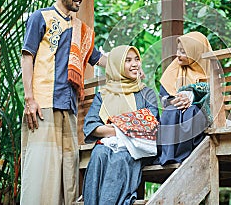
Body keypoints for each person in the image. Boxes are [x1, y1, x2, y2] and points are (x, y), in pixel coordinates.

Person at [20, 0, 107, 205]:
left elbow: (97, 58)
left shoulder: (81, 29)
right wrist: (29, 99)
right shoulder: (41, 17)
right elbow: (27, 56)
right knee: (42, 171)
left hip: (68, 106)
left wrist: (127, 63)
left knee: (67, 173)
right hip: (43, 104)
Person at [82, 45, 159, 205]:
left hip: (136, 148)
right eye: (128, 60)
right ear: (116, 65)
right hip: (106, 145)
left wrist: (113, 127)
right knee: (99, 154)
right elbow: (92, 126)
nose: (135, 64)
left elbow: (150, 123)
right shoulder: (103, 95)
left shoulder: (146, 93)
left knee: (121, 158)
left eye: (137, 59)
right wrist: (125, 128)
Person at [156, 31, 212, 165]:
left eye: (183, 51)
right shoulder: (174, 69)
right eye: (178, 50)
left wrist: (193, 97)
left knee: (191, 111)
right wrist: (174, 101)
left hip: (202, 112)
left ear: (195, 52)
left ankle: (186, 155)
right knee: (171, 111)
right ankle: (168, 156)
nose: (178, 55)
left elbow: (212, 97)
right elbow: (164, 97)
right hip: (177, 109)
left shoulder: (210, 69)